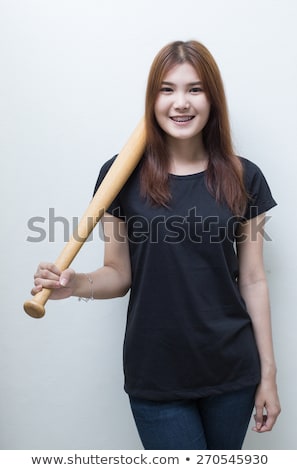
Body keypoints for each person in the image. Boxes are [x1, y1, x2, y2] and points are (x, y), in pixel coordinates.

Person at [31, 40, 281, 450]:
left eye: (194, 89)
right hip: (156, 372)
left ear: (212, 98)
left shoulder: (244, 177)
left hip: (232, 372)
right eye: (167, 89)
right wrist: (74, 285)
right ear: (152, 99)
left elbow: (253, 280)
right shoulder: (118, 176)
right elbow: (118, 273)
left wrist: (269, 374)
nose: (180, 103)